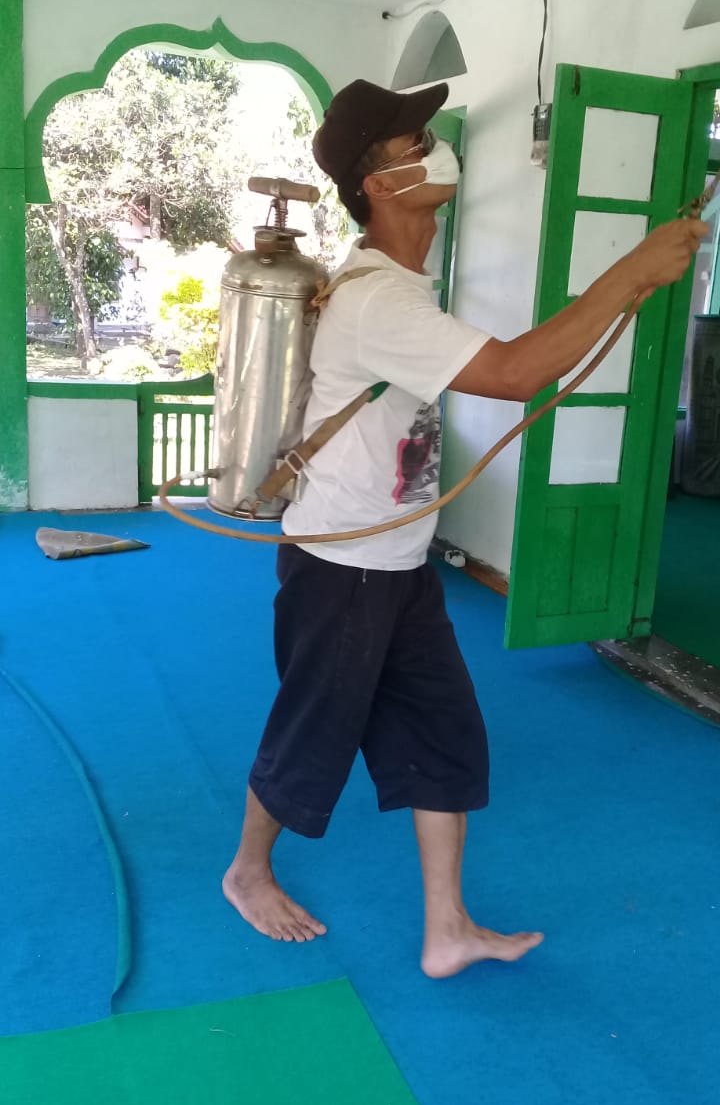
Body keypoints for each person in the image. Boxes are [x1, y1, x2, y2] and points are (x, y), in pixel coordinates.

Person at [223, 78, 706, 978]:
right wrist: (636, 271)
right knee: (315, 730)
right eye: (415, 146)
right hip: (343, 565)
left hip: (399, 562)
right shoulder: (380, 300)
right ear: (379, 186)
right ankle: (247, 872)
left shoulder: (405, 285)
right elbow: (519, 373)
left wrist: (637, 277)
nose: (435, 151)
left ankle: (448, 929)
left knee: (442, 735)